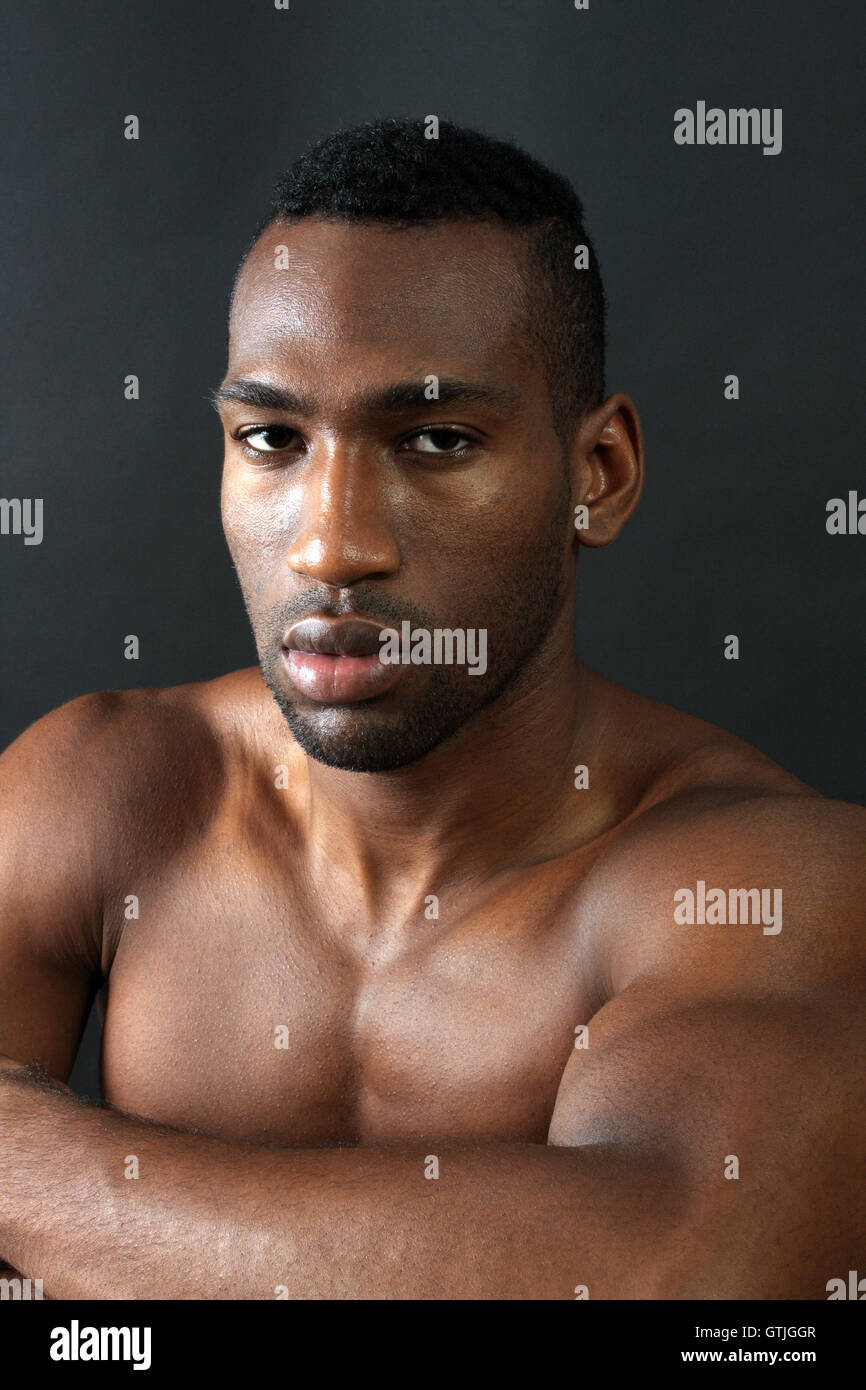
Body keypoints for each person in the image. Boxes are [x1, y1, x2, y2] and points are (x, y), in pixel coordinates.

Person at [0, 118, 862, 1300]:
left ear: (596, 476)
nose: (329, 542)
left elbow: (673, 1277)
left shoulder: (768, 880)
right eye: (272, 438)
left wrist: (28, 1173)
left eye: (437, 439)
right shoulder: (99, 786)